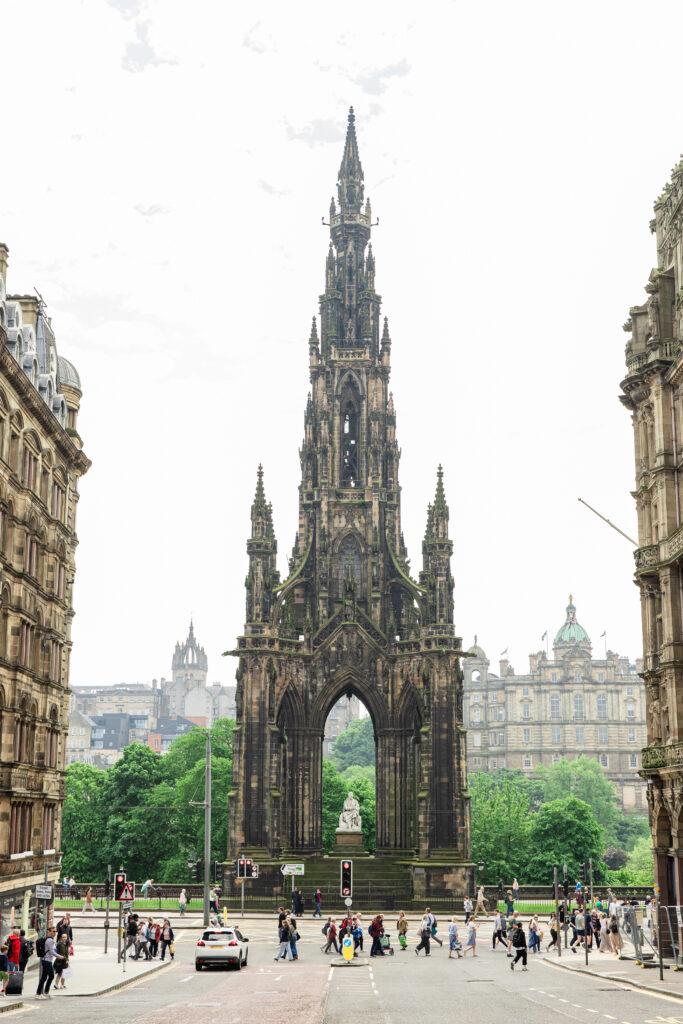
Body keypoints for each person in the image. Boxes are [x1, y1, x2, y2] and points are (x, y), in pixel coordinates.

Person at [36, 925, 57, 998]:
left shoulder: (50, 939)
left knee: (51, 976)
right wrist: (60, 957)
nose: (55, 933)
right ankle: (38, 993)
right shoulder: (50, 940)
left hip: (49, 961)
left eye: (55, 931)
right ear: (49, 932)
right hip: (46, 961)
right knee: (44, 978)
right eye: (53, 931)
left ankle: (46, 992)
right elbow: (52, 952)